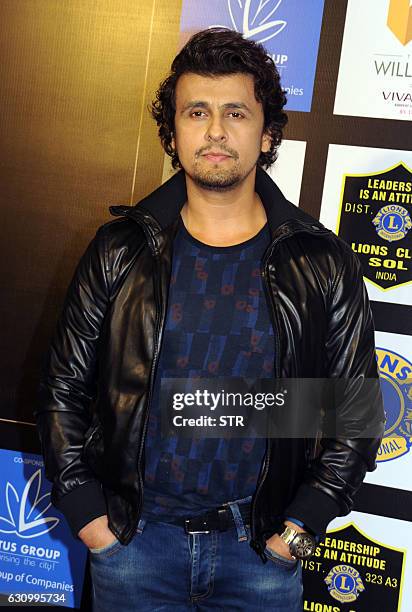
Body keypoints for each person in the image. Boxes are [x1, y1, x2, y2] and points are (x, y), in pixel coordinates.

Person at [34, 27, 385, 611]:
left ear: (267, 131)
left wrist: (296, 532)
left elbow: (353, 412)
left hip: (262, 556)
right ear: (173, 132)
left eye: (236, 113)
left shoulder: (322, 262)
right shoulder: (119, 250)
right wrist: (89, 518)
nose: (216, 131)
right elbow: (63, 389)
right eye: (197, 111)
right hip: (134, 547)